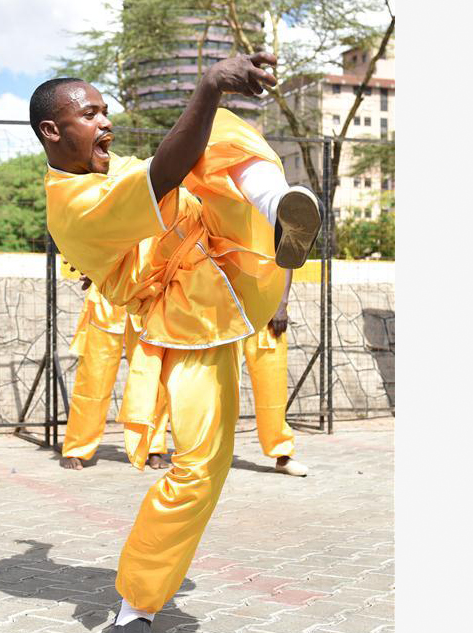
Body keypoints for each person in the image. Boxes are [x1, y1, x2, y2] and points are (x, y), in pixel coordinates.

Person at [31, 51, 320, 632]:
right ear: (52, 131)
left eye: (106, 111)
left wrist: (35, 556)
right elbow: (162, 175)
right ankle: (136, 604)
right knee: (200, 469)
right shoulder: (72, 205)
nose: (106, 122)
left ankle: (278, 205)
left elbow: (179, 161)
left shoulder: (104, 169)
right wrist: (209, 84)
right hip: (189, 313)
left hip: (233, 251)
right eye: (91, 114)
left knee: (213, 132)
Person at [60, 281, 170, 470]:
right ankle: (76, 448)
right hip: (105, 301)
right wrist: (86, 264)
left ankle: (153, 448)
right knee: (92, 381)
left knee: (152, 381)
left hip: (145, 301)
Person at [243, 269, 309, 476]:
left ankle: (282, 455)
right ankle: (203, 454)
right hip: (224, 309)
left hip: (265, 309)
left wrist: (281, 304)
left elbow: (286, 257)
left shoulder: (272, 233)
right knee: (213, 386)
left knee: (272, 386)